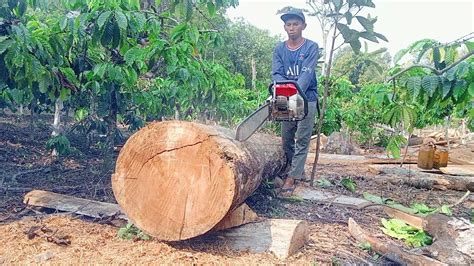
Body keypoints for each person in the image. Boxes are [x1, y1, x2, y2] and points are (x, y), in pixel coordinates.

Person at [271, 8, 319, 195]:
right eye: (289, 24)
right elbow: (277, 73)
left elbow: (307, 73)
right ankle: (294, 168)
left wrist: (296, 91)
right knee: (287, 138)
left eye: (295, 24)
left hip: (307, 97)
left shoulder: (311, 47)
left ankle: (293, 177)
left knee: (302, 138)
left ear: (303, 26)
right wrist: (284, 91)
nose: (292, 28)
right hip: (286, 96)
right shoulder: (279, 49)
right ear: (285, 27)